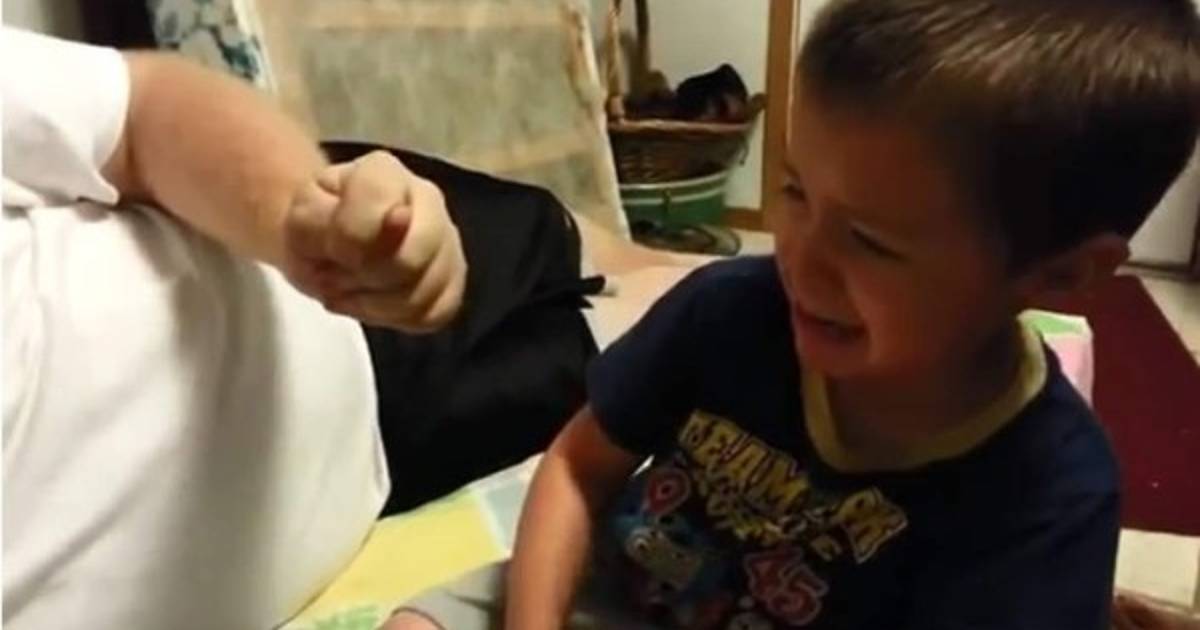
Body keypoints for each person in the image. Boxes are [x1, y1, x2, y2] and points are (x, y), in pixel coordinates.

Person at [383, 0, 1200, 628]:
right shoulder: (730, 308)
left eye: (871, 242)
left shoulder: (1051, 496)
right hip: (609, 584)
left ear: (1061, 275)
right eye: (795, 190)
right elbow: (574, 468)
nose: (799, 259)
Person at [1, 26, 671, 629]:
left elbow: (138, 109)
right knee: (627, 339)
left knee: (609, 257)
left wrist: (307, 222)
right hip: (391, 467)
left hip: (318, 250)